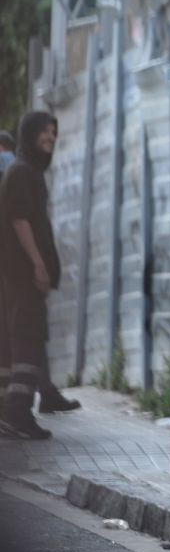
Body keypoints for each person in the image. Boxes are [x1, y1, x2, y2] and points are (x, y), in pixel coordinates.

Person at [0, 112, 63, 439]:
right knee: (28, 340)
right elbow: (19, 219)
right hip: (24, 276)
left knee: (15, 344)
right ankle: (17, 412)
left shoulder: (27, 171)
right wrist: (38, 264)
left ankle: (9, 409)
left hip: (19, 275)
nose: (50, 138)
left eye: (53, 133)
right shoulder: (23, 171)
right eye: (44, 132)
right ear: (29, 134)